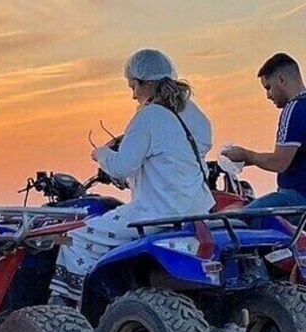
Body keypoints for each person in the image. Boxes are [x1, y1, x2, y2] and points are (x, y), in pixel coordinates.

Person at [49, 49, 214, 305]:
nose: (133, 95)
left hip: (155, 213)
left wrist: (102, 153)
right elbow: (182, 151)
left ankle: (66, 312)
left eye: (133, 86)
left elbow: (121, 168)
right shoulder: (192, 113)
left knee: (76, 237)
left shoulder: (148, 116)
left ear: (145, 83)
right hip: (197, 211)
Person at [222, 53, 306, 210]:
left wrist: (246, 155)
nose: (268, 95)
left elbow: (279, 162)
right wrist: (249, 160)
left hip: (297, 198)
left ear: (281, 80)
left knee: (237, 218)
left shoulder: (294, 108)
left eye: (268, 88)